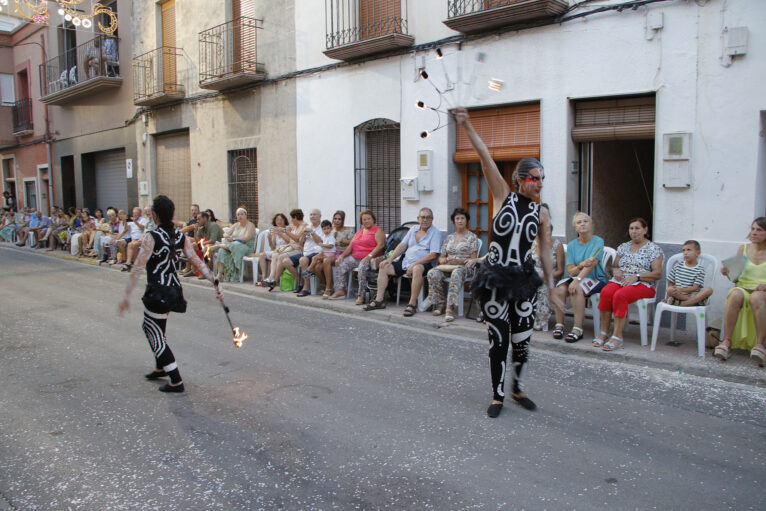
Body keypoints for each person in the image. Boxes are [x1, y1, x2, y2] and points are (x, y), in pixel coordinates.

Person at [455, 107, 562, 418]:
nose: (540, 183)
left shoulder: (542, 213)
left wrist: (552, 286)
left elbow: (544, 251)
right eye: (534, 178)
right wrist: (468, 126)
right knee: (498, 338)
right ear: (520, 179)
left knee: (523, 338)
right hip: (495, 278)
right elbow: (486, 157)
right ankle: (498, 394)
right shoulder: (503, 195)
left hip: (523, 279)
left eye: (542, 178)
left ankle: (518, 388)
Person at [118, 195, 223, 393]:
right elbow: (196, 261)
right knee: (157, 329)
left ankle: (175, 379)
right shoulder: (179, 236)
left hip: (158, 291)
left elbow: (138, 266)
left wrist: (126, 296)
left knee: (152, 331)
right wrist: (214, 281)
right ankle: (160, 367)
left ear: (155, 215)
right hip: (173, 290)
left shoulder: (152, 236)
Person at [594, 218, 663, 351]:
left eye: (637, 228)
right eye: (631, 228)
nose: (634, 231)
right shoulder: (623, 247)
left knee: (620, 295)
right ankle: (604, 332)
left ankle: (617, 336)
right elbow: (614, 265)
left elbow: (657, 274)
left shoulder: (653, 249)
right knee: (606, 292)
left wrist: (637, 277)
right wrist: (616, 270)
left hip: (644, 284)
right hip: (622, 280)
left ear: (645, 230)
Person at [363, 207, 441, 317]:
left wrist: (415, 264)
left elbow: (433, 255)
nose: (425, 219)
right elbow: (402, 245)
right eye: (423, 217)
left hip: (424, 264)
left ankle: (412, 303)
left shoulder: (435, 233)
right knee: (384, 266)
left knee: (417, 268)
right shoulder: (413, 229)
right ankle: (379, 300)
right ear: (418, 218)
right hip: (406, 262)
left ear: (432, 219)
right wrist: (390, 259)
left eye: (428, 217)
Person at [714, 218, 766, 364]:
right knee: (735, 293)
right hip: (743, 287)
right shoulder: (743, 249)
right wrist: (728, 272)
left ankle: (761, 345)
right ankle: (726, 342)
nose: (754, 233)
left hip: (762, 291)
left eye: (759, 230)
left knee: (757, 297)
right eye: (753, 229)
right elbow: (734, 278)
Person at [550, 212, 606, 342]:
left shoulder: (598, 241)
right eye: (579, 222)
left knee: (576, 288)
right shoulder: (572, 245)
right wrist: (580, 265)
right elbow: (571, 270)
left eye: (585, 221)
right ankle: (559, 325)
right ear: (575, 227)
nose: (582, 224)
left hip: (595, 278)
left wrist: (577, 280)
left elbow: (591, 265)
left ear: (591, 224)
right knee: (560, 289)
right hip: (577, 276)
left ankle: (577, 329)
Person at [425, 207, 480, 322]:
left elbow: (473, 259)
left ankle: (450, 308)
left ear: (466, 220)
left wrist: (459, 261)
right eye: (457, 218)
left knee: (456, 273)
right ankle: (440, 303)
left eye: (462, 218)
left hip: (465, 268)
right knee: (432, 273)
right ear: (454, 221)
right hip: (448, 267)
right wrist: (443, 260)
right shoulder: (449, 237)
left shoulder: (472, 237)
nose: (460, 221)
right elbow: (441, 256)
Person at [330, 209, 386, 303]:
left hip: (371, 259)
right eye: (364, 219)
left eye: (368, 219)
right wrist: (342, 256)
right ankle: (340, 291)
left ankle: (361, 295)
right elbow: (351, 246)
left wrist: (369, 256)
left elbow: (381, 245)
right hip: (356, 258)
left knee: (362, 267)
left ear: (373, 219)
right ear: (361, 221)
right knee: (340, 263)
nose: (366, 221)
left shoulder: (377, 230)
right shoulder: (359, 232)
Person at [529, 205, 564, 331]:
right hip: (532, 274)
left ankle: (540, 321)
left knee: (542, 287)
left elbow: (560, 270)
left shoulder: (557, 245)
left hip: (548, 277)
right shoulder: (532, 242)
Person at [266, 209, 307, 290]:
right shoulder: (295, 227)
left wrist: (284, 231)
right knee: (276, 254)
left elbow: (297, 239)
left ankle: (275, 281)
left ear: (295, 217)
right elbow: (291, 241)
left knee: (281, 257)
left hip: (299, 250)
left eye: (292, 218)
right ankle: (272, 279)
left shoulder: (304, 226)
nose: (291, 220)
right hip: (292, 248)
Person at [663, 240, 713, 306]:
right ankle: (694, 302)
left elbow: (695, 287)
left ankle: (684, 303)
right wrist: (667, 298)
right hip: (679, 295)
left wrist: (681, 289)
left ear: (698, 253)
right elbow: (671, 283)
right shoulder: (678, 266)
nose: (685, 253)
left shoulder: (700, 269)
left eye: (689, 250)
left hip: (693, 294)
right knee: (669, 289)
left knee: (709, 290)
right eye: (683, 250)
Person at [214, 207, 256, 282]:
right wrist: (227, 236)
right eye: (238, 215)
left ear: (246, 215)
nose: (240, 216)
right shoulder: (236, 225)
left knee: (234, 245)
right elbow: (225, 234)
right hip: (234, 246)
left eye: (242, 214)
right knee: (222, 251)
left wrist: (233, 239)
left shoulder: (250, 225)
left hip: (246, 247)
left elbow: (246, 238)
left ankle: (219, 245)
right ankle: (219, 274)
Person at [319, 211, 354, 297]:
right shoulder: (330, 230)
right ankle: (325, 285)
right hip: (330, 252)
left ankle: (328, 289)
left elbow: (353, 242)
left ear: (343, 220)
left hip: (342, 253)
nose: (337, 221)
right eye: (335, 219)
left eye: (339, 219)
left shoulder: (348, 230)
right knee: (317, 265)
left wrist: (342, 242)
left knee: (326, 261)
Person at [295, 209, 323, 297]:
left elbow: (321, 242)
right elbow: (300, 243)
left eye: (315, 214)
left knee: (303, 260)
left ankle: (306, 287)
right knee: (285, 259)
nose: (312, 216)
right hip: (305, 252)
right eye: (311, 215)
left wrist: (312, 233)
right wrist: (303, 235)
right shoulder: (308, 227)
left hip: (316, 252)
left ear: (320, 216)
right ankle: (300, 283)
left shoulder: (323, 227)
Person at [256, 213, 289, 286]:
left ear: (284, 220)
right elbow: (273, 247)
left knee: (275, 254)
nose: (279, 221)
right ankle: (264, 277)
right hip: (276, 250)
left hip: (284, 251)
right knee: (262, 255)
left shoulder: (287, 229)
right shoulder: (274, 231)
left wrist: (280, 233)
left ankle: (271, 278)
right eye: (277, 220)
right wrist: (269, 239)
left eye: (281, 219)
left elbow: (288, 241)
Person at [192, 210, 223, 276]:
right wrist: (195, 231)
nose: (197, 221)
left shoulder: (213, 225)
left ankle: (208, 271)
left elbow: (212, 240)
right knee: (193, 245)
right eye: (197, 219)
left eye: (199, 219)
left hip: (219, 245)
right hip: (210, 244)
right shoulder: (201, 228)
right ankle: (194, 270)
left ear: (205, 219)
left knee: (207, 247)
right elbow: (198, 241)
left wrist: (201, 244)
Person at [119, 207, 149, 271]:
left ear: (140, 213)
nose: (135, 214)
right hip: (133, 239)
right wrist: (124, 220)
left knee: (133, 245)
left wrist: (136, 222)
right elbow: (126, 228)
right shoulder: (131, 221)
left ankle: (134, 262)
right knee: (130, 244)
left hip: (141, 239)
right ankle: (128, 263)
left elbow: (144, 229)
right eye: (134, 213)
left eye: (136, 213)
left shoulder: (143, 220)